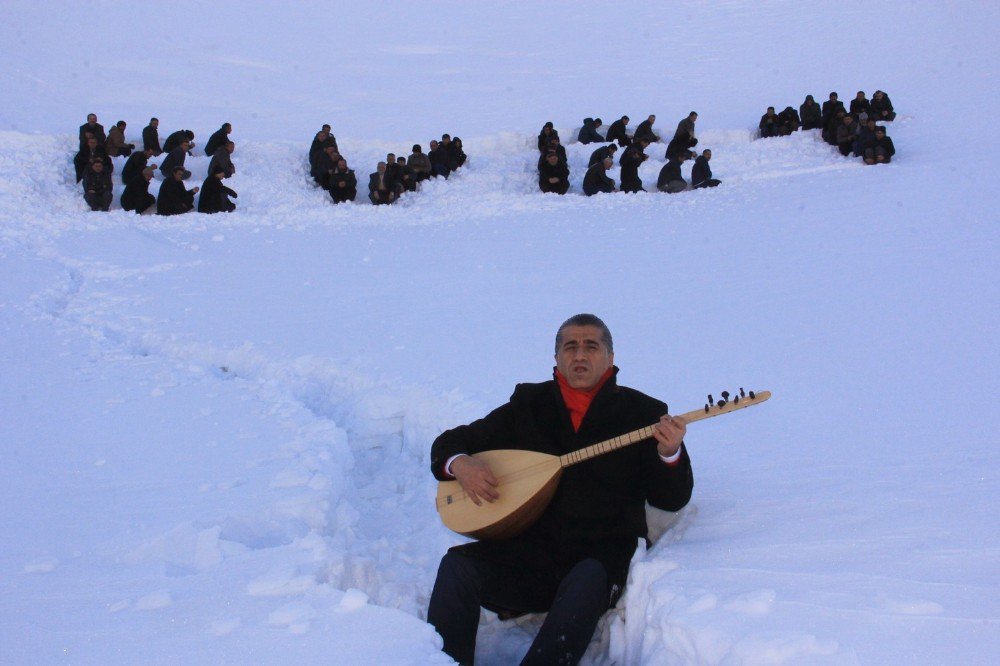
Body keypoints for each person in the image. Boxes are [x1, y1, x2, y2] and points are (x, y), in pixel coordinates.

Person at [427, 314, 693, 666]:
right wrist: (460, 463)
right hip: (528, 558)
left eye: (591, 346)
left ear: (610, 358)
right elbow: (450, 442)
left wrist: (669, 453)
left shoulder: (643, 413)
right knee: (457, 568)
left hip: (595, 565)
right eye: (570, 347)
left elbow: (671, 498)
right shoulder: (528, 405)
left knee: (586, 578)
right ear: (557, 359)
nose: (579, 355)